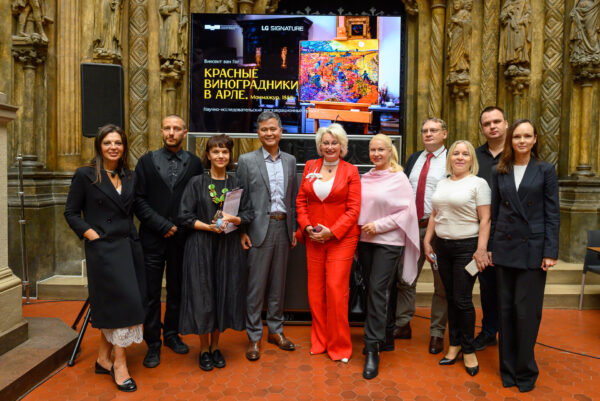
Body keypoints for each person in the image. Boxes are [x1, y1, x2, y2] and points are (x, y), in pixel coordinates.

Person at [64, 124, 145, 392]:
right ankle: (119, 365)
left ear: (124, 147)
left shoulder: (129, 175)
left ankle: (102, 358)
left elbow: (138, 208)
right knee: (123, 306)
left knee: (119, 304)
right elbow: (71, 213)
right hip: (104, 250)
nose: (113, 147)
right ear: (99, 146)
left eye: (118, 143)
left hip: (129, 247)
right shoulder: (85, 175)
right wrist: (91, 234)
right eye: (108, 142)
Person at [488, 119, 559, 392]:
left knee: (527, 313)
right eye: (517, 136)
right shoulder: (500, 170)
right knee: (505, 312)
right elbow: (495, 214)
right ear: (510, 139)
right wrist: (492, 247)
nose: (521, 141)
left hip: (533, 250)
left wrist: (550, 251)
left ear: (535, 139)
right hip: (505, 250)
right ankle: (508, 369)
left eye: (527, 136)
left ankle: (525, 371)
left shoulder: (545, 170)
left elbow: (552, 214)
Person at [178, 134, 253, 371]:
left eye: (225, 152)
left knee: (222, 293)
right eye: (216, 151)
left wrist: (236, 220)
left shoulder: (236, 183)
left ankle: (216, 347)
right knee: (203, 296)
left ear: (230, 156)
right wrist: (207, 226)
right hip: (200, 245)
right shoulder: (196, 183)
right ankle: (203, 349)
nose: (220, 156)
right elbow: (184, 216)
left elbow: (249, 214)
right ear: (208, 155)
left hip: (227, 248)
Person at [135, 115, 204, 368]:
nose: (171, 132)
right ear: (161, 131)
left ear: (185, 132)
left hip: (183, 239)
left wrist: (182, 225)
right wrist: (161, 225)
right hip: (152, 238)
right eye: (167, 128)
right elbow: (138, 200)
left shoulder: (194, 163)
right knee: (151, 293)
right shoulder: (146, 162)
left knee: (177, 290)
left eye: (176, 129)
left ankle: (171, 335)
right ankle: (152, 342)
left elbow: (197, 200)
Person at [423, 140, 491, 377]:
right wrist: (427, 241)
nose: (460, 157)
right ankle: (454, 345)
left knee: (462, 300)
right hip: (442, 247)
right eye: (456, 154)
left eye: (465, 154)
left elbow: (485, 219)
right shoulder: (442, 183)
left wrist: (481, 250)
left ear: (472, 159)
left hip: (466, 248)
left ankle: (469, 349)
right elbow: (434, 214)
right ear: (450, 158)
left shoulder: (478, 184)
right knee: (450, 297)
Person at [296, 123, 361, 363]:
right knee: (315, 292)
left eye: (335, 143)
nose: (330, 147)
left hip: (340, 239)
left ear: (342, 146)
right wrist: (306, 227)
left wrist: (331, 232)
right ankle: (320, 340)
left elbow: (354, 210)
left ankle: (340, 345)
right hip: (313, 238)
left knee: (336, 291)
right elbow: (301, 201)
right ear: (319, 146)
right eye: (326, 142)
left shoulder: (351, 171)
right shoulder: (311, 167)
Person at [357, 134, 420, 379]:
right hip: (365, 242)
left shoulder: (399, 178)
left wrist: (379, 226)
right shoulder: (366, 177)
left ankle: (372, 347)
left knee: (377, 290)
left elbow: (408, 213)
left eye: (381, 149)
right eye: (372, 150)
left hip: (388, 241)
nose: (376, 154)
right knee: (371, 290)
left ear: (390, 151)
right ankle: (385, 337)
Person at [237, 111, 298, 361]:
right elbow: (239, 197)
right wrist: (242, 230)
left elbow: (292, 198)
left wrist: (293, 227)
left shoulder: (291, 161)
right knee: (255, 286)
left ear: (281, 131)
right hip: (257, 230)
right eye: (264, 129)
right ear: (258, 133)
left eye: (273, 129)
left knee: (278, 284)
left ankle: (276, 330)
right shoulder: (246, 160)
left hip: (283, 228)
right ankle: (254, 336)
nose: (269, 133)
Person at [392, 118, 449, 355]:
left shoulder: (452, 159)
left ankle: (436, 333)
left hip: (439, 231)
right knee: (405, 278)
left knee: (441, 285)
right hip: (412, 228)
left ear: (444, 134)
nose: (428, 134)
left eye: (433, 130)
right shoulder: (414, 158)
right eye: (424, 130)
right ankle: (402, 324)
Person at [473, 106, 508, 351]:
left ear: (506, 124)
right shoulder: (475, 156)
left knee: (508, 287)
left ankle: (510, 334)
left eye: (497, 121)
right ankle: (488, 331)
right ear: (482, 128)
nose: (492, 126)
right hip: (480, 231)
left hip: (511, 232)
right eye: (487, 123)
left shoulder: (518, 152)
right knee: (487, 286)